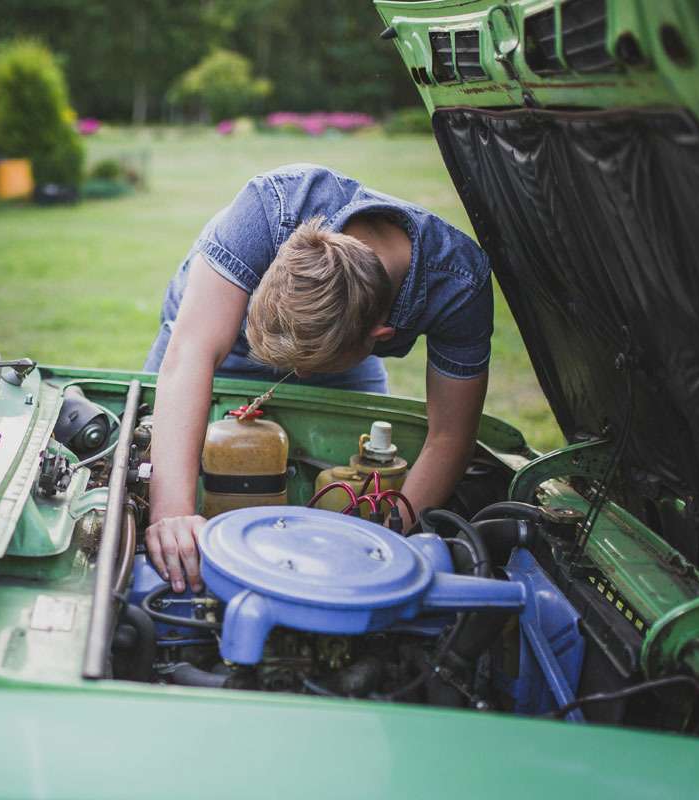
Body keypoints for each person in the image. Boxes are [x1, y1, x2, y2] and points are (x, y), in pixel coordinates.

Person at [142, 163, 493, 593]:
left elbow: (450, 436)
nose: (291, 377)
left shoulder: (460, 282)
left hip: (339, 344)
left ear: (380, 337)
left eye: (302, 369)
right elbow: (189, 354)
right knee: (155, 452)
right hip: (217, 323)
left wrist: (384, 544)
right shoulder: (270, 207)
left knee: (358, 472)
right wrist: (171, 515)